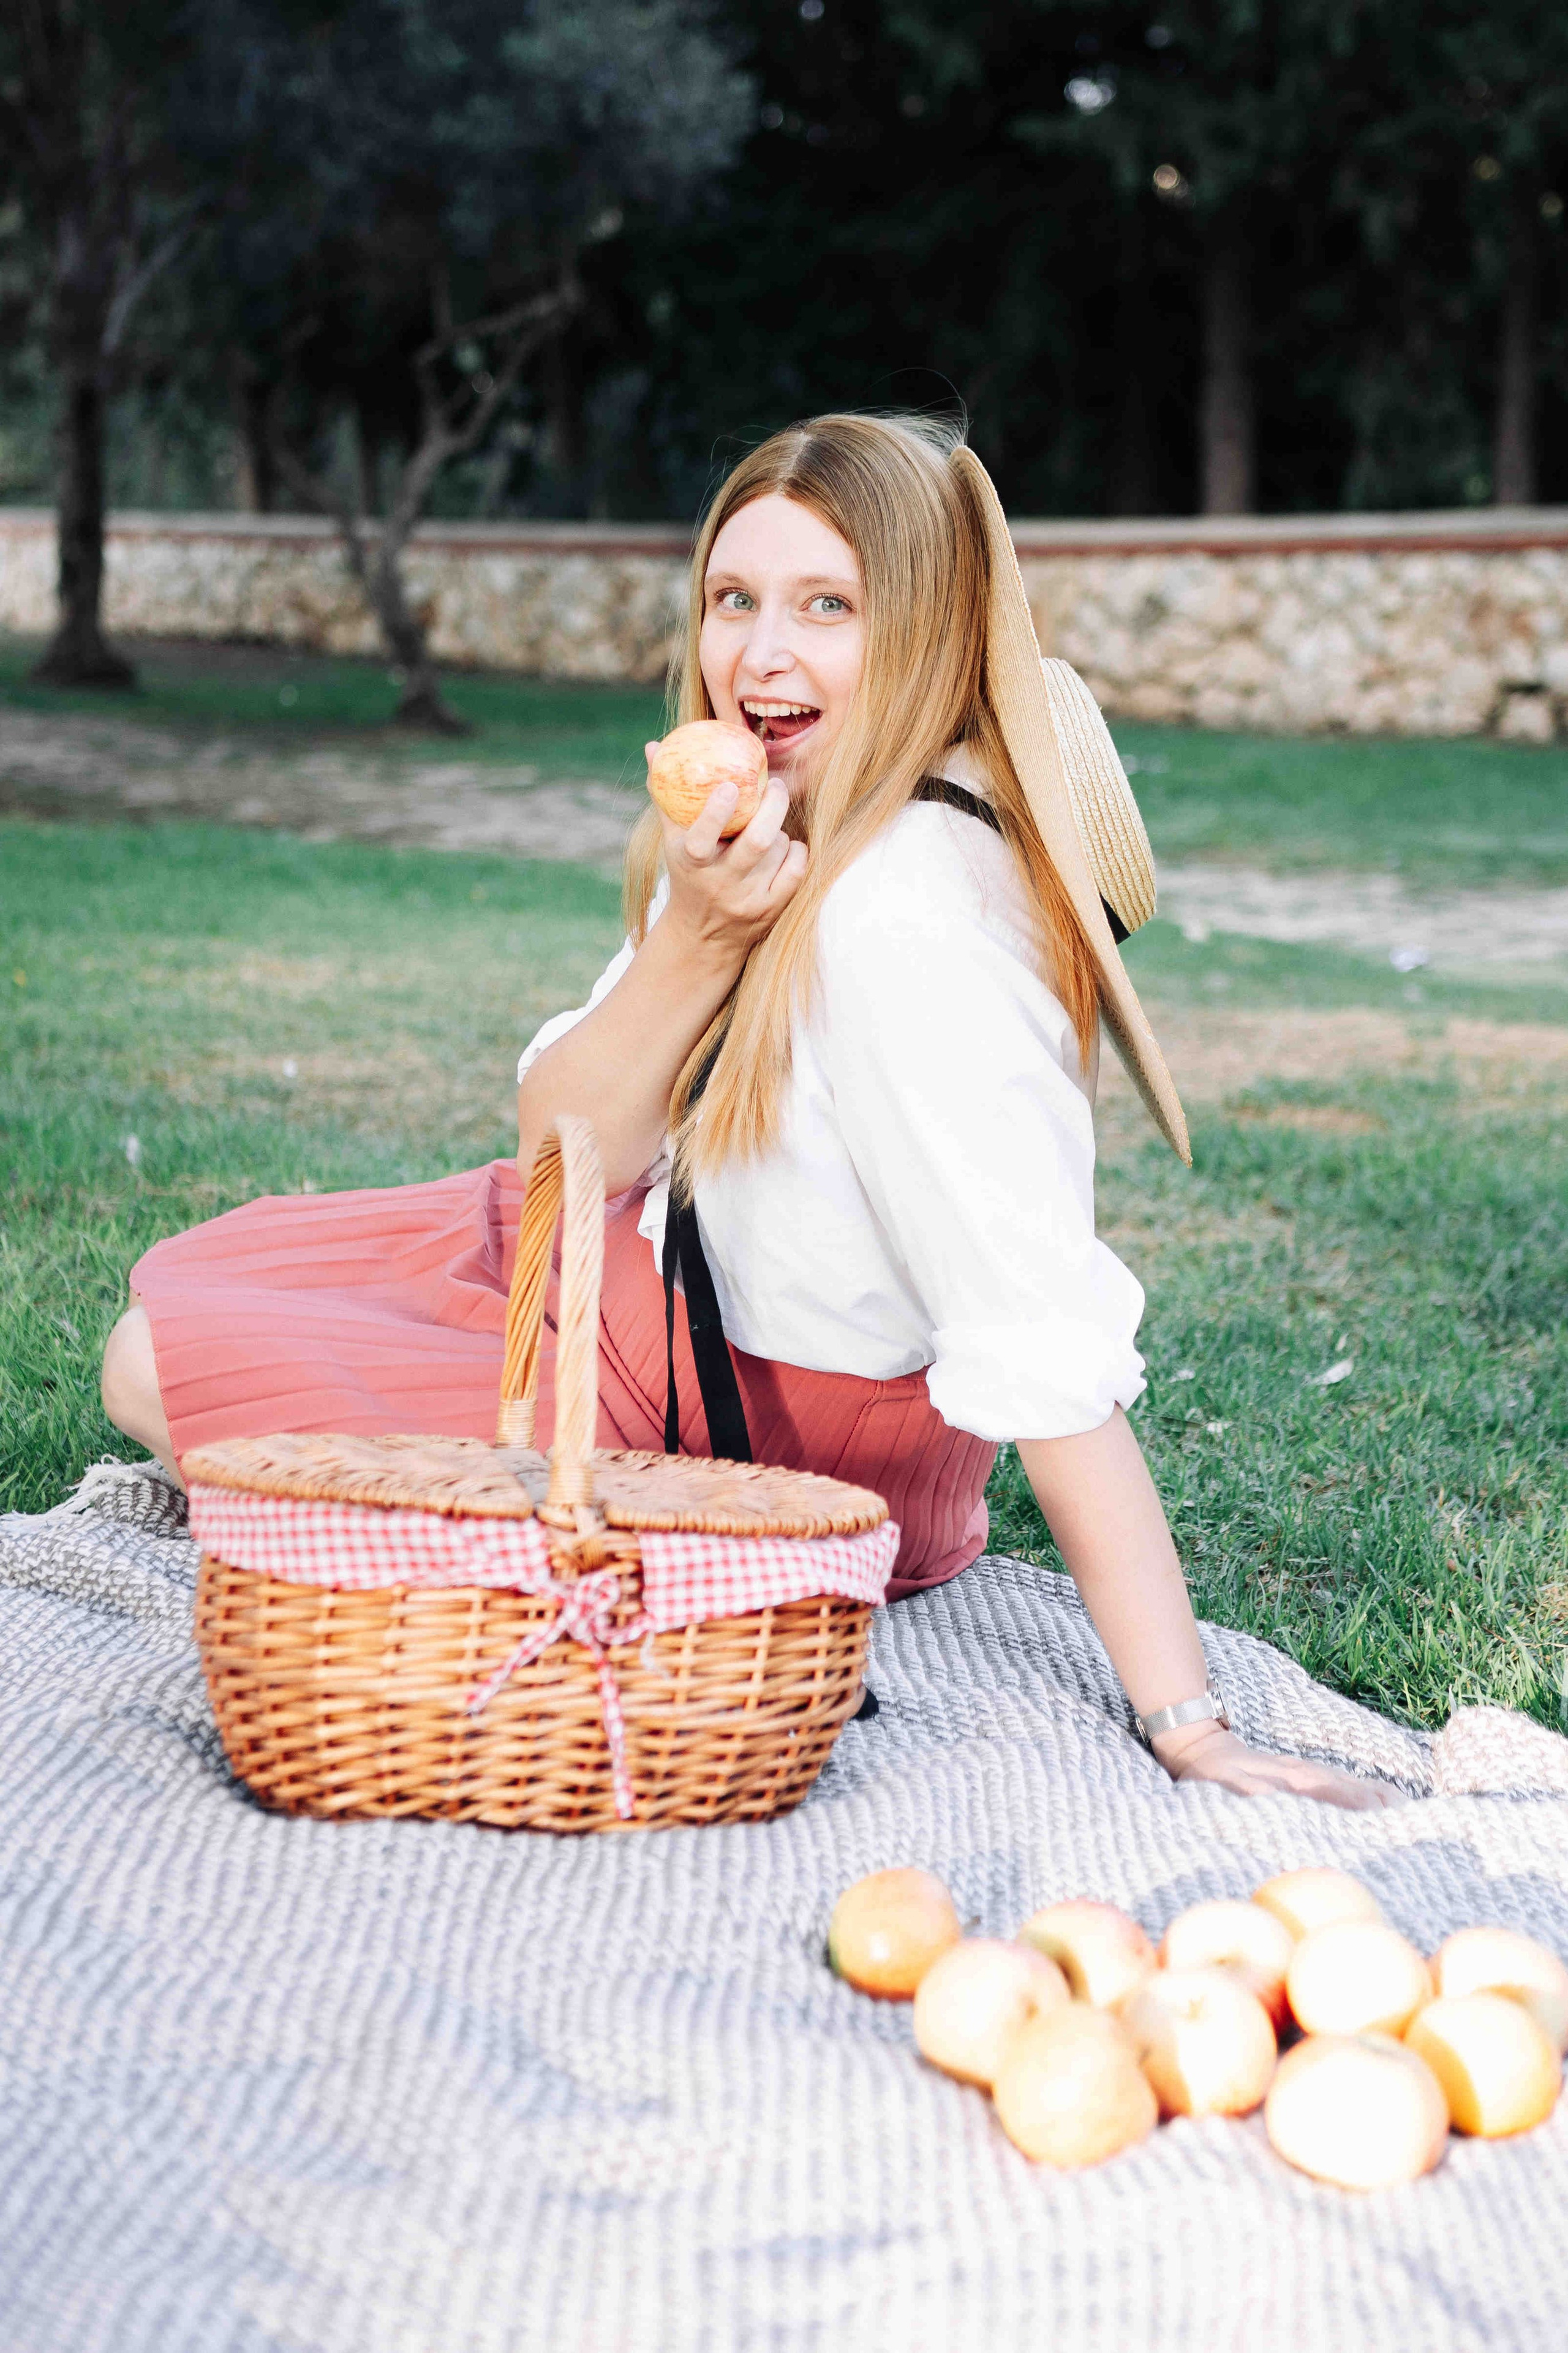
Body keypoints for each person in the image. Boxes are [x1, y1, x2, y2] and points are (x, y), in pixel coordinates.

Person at [103, 411, 1397, 1810]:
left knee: (152, 1365)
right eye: (735, 599)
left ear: (923, 634)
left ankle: (606, 1563)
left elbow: (1033, 1324)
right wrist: (698, 933)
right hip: (636, 1285)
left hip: (739, 1433)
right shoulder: (781, 813)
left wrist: (1187, 1722)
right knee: (202, 1297)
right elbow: (563, 1147)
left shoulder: (908, 917)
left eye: (826, 606)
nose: (759, 654)